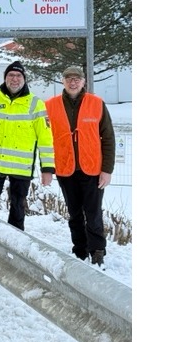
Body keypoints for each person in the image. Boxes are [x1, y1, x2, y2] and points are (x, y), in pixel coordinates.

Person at [0, 60, 54, 231]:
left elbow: (45, 139)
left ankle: (14, 242)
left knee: (17, 208)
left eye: (18, 75)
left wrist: (47, 169)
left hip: (21, 168)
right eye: (11, 75)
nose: (14, 79)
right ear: (5, 78)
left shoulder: (35, 104)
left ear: (24, 79)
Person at [45, 66, 115, 268]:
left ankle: (97, 251)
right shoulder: (50, 105)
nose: (73, 82)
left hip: (92, 169)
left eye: (77, 79)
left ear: (84, 82)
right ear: (62, 81)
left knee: (93, 213)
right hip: (65, 168)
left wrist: (106, 170)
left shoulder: (96, 103)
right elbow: (43, 139)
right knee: (74, 213)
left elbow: (108, 138)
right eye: (68, 78)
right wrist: (47, 168)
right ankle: (80, 249)